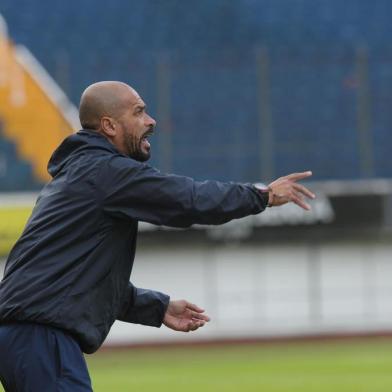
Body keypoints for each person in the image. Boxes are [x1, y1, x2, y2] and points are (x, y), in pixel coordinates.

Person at [0, 81, 315, 391]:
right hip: (41, 339)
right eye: (138, 112)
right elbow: (188, 200)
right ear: (109, 125)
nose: (151, 121)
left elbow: (76, 283)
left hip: (25, 337)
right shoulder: (106, 172)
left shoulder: (80, 175)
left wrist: (157, 307)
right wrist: (263, 196)